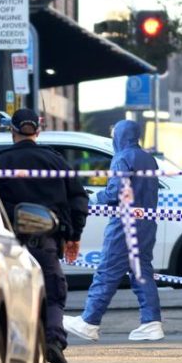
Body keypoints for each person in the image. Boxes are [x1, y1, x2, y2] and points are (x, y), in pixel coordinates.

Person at [0, 108, 89, 363]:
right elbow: (78, 199)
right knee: (54, 294)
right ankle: (53, 340)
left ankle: (15, 356)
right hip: (46, 242)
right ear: (38, 131)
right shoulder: (55, 162)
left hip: (8, 246)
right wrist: (73, 235)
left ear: (12, 131)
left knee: (8, 299)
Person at [62, 120, 163, 343]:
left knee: (107, 271)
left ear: (119, 135)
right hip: (147, 223)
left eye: (113, 133)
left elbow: (116, 192)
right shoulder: (149, 159)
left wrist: (95, 197)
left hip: (124, 224)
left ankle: (89, 322)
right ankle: (151, 322)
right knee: (142, 272)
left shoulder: (122, 158)